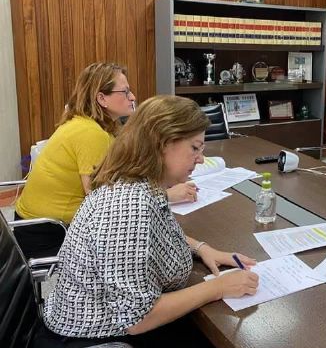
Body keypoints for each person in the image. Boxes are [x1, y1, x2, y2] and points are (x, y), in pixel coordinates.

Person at [41, 95, 259, 348]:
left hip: (118, 327)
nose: (201, 159)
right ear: (162, 144)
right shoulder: (127, 207)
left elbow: (157, 234)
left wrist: (201, 248)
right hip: (103, 341)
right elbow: (137, 319)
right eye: (195, 148)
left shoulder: (141, 183)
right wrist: (218, 287)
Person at [14, 63, 200, 259]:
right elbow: (104, 205)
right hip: (47, 234)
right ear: (101, 98)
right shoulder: (90, 133)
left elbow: (125, 171)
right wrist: (166, 195)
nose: (133, 97)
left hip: (41, 224)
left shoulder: (98, 125)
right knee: (150, 247)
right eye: (125, 92)